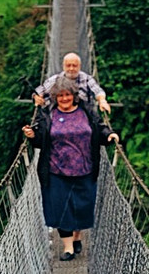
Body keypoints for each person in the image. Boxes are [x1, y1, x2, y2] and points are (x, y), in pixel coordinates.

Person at [22, 77, 119, 259]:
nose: (64, 99)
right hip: (56, 171)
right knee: (60, 208)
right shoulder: (48, 115)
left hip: (84, 169)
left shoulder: (87, 111)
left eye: (67, 95)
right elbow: (39, 141)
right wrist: (32, 135)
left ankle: (77, 237)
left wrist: (110, 135)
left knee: (81, 207)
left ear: (74, 96)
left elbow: (99, 128)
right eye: (60, 96)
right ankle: (68, 248)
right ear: (55, 97)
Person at [34, 51, 110, 114]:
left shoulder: (86, 79)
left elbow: (97, 91)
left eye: (74, 65)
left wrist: (102, 101)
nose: (71, 68)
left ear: (79, 66)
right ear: (63, 66)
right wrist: (37, 97)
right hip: (57, 117)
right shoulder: (55, 79)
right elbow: (40, 91)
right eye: (68, 65)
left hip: (83, 116)